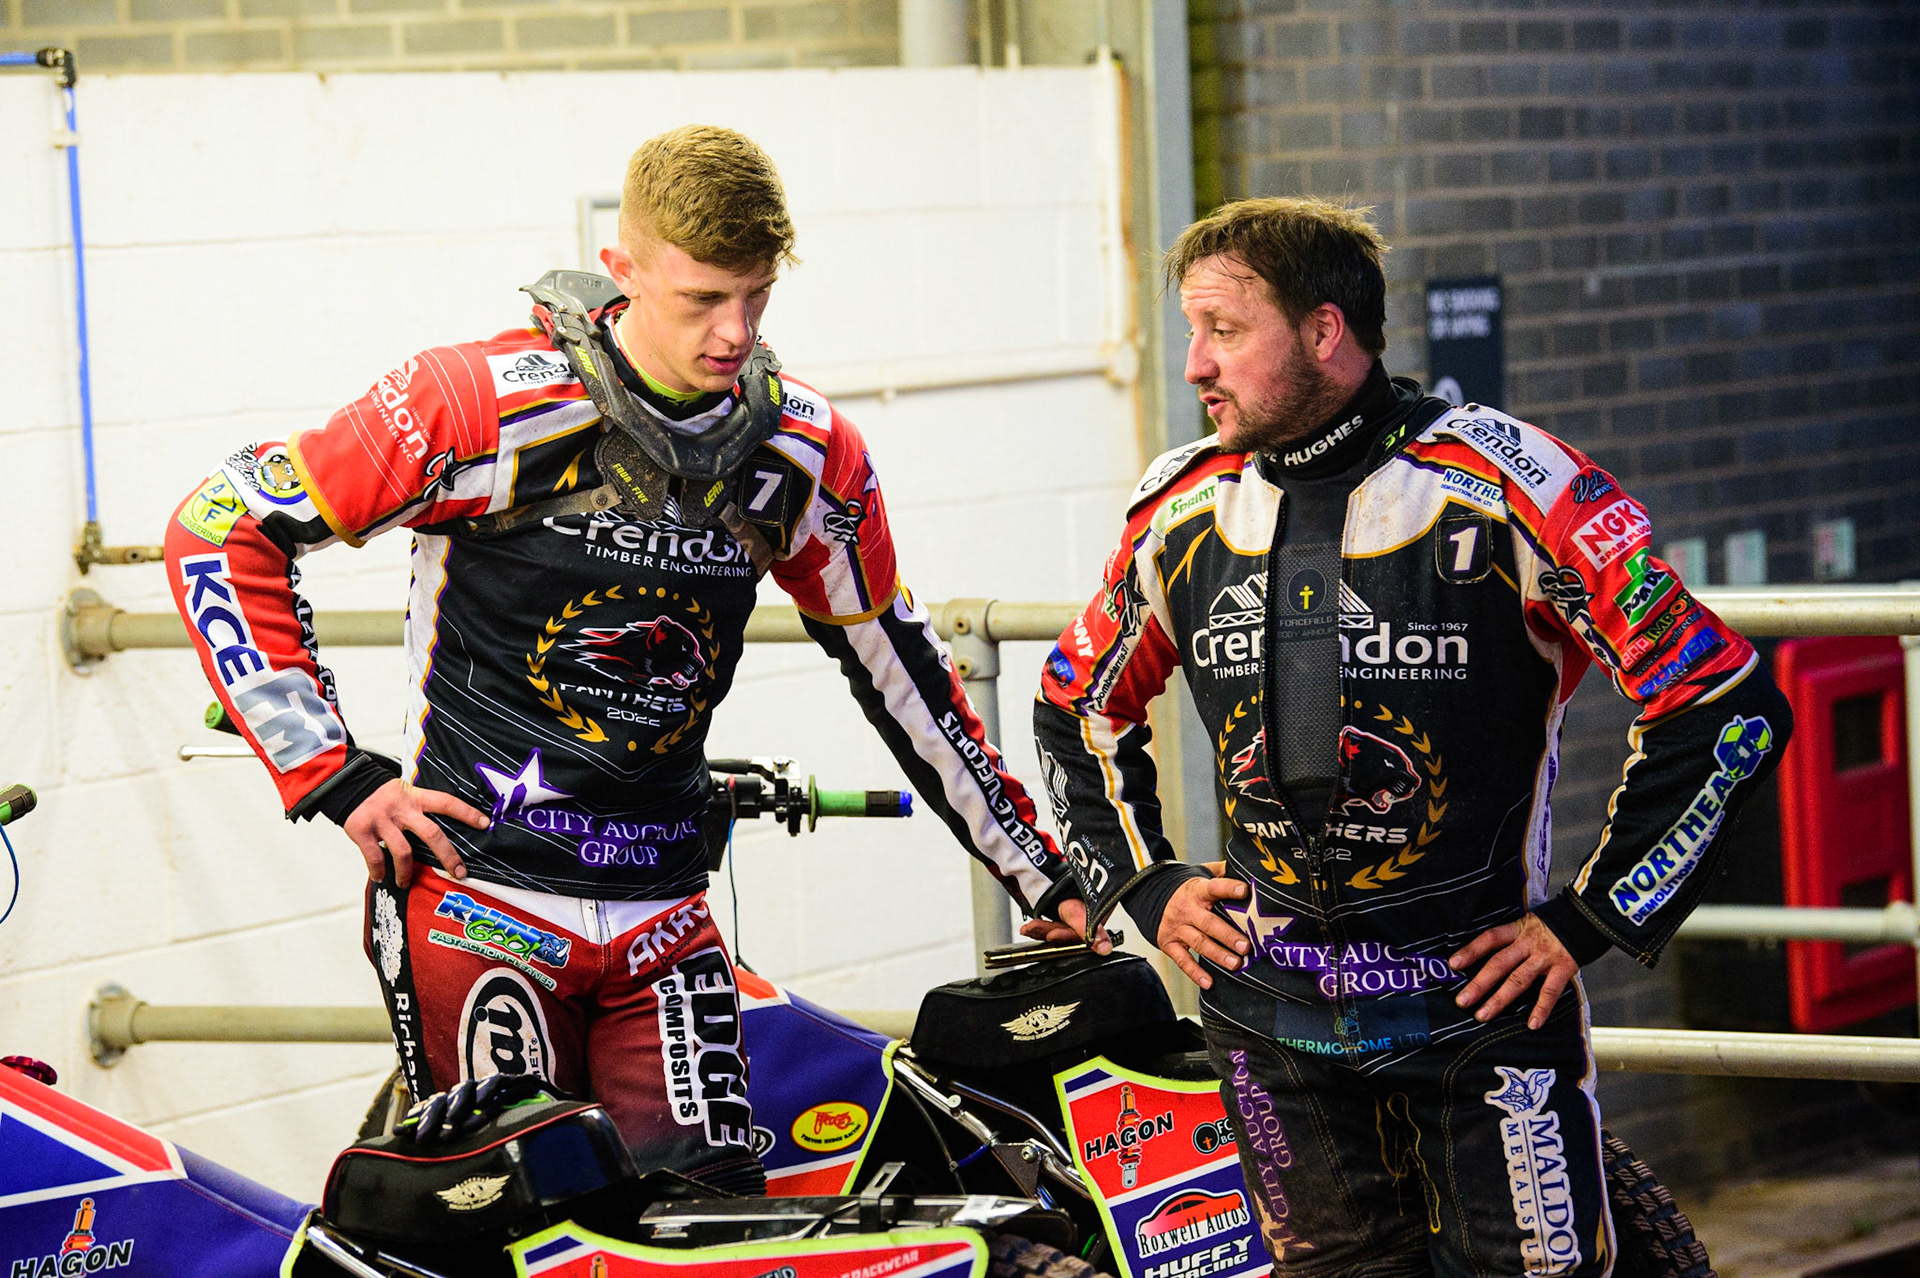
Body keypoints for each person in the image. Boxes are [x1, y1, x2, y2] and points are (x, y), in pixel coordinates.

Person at [165, 124, 1084, 1195]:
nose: (735, 333)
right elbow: (222, 522)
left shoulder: (806, 450)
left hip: (664, 912)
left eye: (758, 296)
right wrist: (333, 772)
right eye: (702, 299)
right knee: (514, 1231)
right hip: (481, 900)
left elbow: (902, 666)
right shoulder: (470, 401)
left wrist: (1040, 870)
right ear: (624, 269)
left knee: (719, 1228)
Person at [1034, 196, 1792, 1273]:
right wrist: (1140, 885)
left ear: (1324, 330)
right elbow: (1075, 706)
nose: (1194, 364)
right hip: (1268, 1023)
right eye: (1192, 330)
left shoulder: (1512, 485)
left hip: (1477, 1021)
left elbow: (1726, 705)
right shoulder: (1182, 507)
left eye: (1225, 329)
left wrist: (1586, 921)